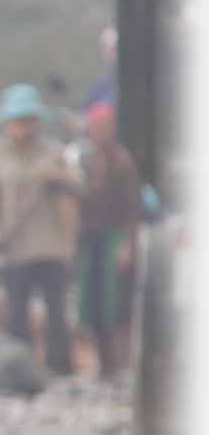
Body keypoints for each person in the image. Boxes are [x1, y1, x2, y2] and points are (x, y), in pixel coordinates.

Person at [0, 84, 83, 378]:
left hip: (51, 244)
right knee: (17, 313)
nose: (23, 126)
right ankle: (21, 372)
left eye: (28, 119)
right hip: (15, 247)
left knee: (56, 311)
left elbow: (78, 186)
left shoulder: (53, 153)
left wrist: (57, 176)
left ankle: (61, 368)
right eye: (18, 120)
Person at [75, 102, 146, 379]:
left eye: (104, 127)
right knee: (90, 301)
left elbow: (132, 207)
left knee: (113, 302)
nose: (99, 133)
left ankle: (119, 364)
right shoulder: (87, 161)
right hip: (90, 238)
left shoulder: (122, 161)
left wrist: (128, 244)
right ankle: (103, 364)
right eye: (95, 128)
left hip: (114, 236)